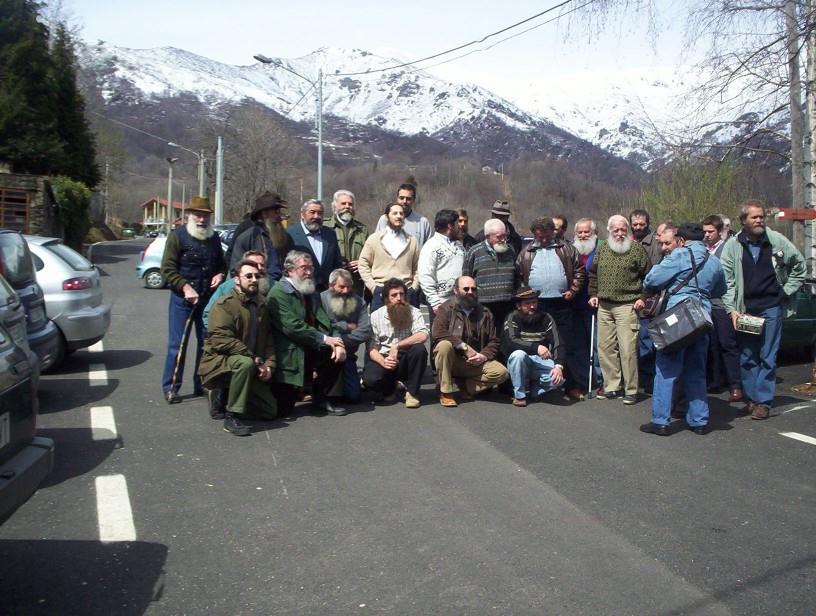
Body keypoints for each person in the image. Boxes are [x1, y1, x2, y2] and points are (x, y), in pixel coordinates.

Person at [720, 200, 806, 420]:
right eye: (754, 217)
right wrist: (732, 309)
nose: (759, 220)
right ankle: (751, 399)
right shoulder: (733, 246)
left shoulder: (776, 241)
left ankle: (763, 403)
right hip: (746, 310)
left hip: (771, 307)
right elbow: (727, 281)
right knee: (748, 356)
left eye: (761, 217)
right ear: (743, 220)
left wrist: (785, 291)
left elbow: (800, 266)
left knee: (768, 356)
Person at [639, 223, 726, 436]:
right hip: (702, 317)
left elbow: (652, 279)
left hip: (678, 316)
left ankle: (661, 421)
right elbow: (721, 289)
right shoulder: (714, 261)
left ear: (682, 240)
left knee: (666, 368)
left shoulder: (679, 255)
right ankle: (699, 421)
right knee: (696, 369)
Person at [198, 259, 278, 436]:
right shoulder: (224, 305)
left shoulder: (262, 305)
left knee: (270, 411)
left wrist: (269, 365)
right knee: (244, 363)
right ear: (237, 279)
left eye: (257, 276)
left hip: (251, 364)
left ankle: (228, 397)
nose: (253, 280)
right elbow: (221, 339)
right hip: (222, 361)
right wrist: (254, 358)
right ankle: (231, 416)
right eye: (248, 276)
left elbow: (269, 340)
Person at [267, 251, 348, 417]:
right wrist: (325, 339)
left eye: (311, 268)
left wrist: (337, 342)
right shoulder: (278, 293)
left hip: (309, 346)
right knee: (282, 411)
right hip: (288, 354)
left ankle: (320, 398)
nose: (309, 272)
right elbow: (293, 327)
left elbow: (325, 321)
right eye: (304, 268)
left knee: (334, 353)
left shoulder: (310, 290)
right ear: (289, 270)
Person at [160, 196, 225, 404]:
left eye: (205, 215)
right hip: (183, 300)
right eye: (198, 215)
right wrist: (185, 287)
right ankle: (171, 387)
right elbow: (167, 269)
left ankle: (201, 383)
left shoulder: (214, 238)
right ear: (189, 215)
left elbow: (222, 264)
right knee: (177, 345)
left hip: (207, 299)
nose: (202, 219)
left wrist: (220, 274)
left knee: (206, 344)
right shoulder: (177, 236)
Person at [516, 217, 586, 399]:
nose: (544, 239)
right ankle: (539, 383)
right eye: (540, 237)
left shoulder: (567, 249)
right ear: (534, 234)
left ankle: (572, 385)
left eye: (547, 235)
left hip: (562, 303)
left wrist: (573, 290)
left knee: (566, 343)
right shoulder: (526, 253)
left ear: (552, 232)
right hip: (537, 305)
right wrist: (526, 297)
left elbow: (579, 271)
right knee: (538, 343)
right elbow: (519, 277)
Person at [588, 215, 649, 404]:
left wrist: (643, 298)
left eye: (623, 229)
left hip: (627, 305)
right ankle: (612, 386)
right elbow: (593, 273)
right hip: (604, 305)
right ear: (609, 231)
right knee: (605, 348)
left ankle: (631, 389)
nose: (620, 233)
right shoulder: (602, 248)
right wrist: (593, 294)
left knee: (627, 349)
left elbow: (649, 276)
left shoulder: (636, 249)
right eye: (616, 230)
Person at [431, 275, 509, 406]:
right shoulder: (445, 308)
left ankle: (466, 386)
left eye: (473, 289)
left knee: (502, 373)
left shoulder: (485, 312)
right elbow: (437, 332)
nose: (470, 292)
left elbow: (494, 341)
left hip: (474, 362)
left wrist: (483, 356)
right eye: (466, 289)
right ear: (455, 290)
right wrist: (462, 346)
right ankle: (446, 392)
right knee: (444, 345)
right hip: (451, 361)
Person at [362, 278, 429, 408]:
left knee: (419, 349)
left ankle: (412, 393)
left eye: (401, 294)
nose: (399, 298)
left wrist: (397, 345)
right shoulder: (375, 316)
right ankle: (389, 389)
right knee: (370, 380)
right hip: (385, 357)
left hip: (405, 357)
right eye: (394, 295)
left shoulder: (414, 312)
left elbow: (423, 335)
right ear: (386, 298)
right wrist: (384, 362)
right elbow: (372, 348)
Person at [501, 286, 565, 406]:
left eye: (534, 302)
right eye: (527, 303)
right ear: (518, 305)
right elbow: (511, 341)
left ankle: (535, 390)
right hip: (520, 362)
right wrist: (536, 347)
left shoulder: (546, 317)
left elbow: (558, 342)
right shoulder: (512, 317)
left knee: (557, 379)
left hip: (540, 361)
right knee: (518, 355)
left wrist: (558, 366)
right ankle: (520, 396)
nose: (532, 306)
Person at [703, 214, 742, 401]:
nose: (707, 235)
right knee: (710, 345)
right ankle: (715, 380)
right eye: (705, 232)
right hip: (705, 303)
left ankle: (735, 385)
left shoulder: (727, 248)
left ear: (719, 231)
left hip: (722, 303)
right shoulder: (702, 250)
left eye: (711, 231)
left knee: (727, 344)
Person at [320, 268, 371, 403]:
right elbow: (321, 329)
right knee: (326, 393)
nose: (346, 291)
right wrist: (345, 326)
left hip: (348, 354)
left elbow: (365, 331)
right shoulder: (321, 299)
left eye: (349, 287)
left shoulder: (359, 302)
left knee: (353, 397)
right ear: (331, 286)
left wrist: (339, 341)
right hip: (326, 353)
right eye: (341, 287)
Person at [358, 203, 421, 310]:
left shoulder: (412, 241)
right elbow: (363, 264)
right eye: (395, 213)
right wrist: (373, 287)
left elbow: (419, 267)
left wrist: (414, 287)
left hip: (406, 292)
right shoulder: (374, 239)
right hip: (381, 292)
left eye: (401, 213)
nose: (399, 216)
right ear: (387, 217)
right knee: (379, 321)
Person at [463, 218, 518, 331]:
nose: (503, 239)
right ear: (487, 237)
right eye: (499, 237)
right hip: (483, 305)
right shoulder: (474, 252)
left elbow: (517, 277)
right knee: (485, 335)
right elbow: (466, 278)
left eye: (504, 236)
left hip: (507, 305)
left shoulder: (510, 250)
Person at [228, 191, 292, 281]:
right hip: (258, 284)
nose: (279, 215)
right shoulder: (247, 238)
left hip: (282, 285)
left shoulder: (286, 237)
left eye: (279, 211)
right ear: (264, 213)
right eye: (275, 212)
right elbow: (236, 269)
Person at [287, 199, 343, 292]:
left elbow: (337, 263)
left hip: (327, 291)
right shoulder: (290, 235)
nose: (316, 216)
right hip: (301, 290)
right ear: (302, 214)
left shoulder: (330, 234)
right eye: (312, 212)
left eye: (320, 213)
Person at [571, 217, 601, 391]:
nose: (583, 235)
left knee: (596, 343)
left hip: (593, 304)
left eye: (586, 232)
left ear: (594, 233)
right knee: (579, 344)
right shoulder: (571, 249)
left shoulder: (600, 249)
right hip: (574, 304)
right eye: (580, 232)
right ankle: (582, 378)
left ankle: (599, 378)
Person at [418, 209, 466, 318]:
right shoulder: (431, 247)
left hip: (460, 301)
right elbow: (425, 275)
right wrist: (435, 302)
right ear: (450, 226)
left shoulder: (459, 246)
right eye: (457, 223)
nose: (460, 226)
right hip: (441, 303)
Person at [324, 190, 369, 298]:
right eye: (343, 203)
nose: (347, 206)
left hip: (355, 285)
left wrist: (362, 263)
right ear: (335, 206)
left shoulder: (362, 230)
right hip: (330, 285)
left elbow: (371, 255)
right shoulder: (325, 227)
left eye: (350, 204)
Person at [375, 183, 432, 247]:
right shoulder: (385, 219)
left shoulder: (423, 222)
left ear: (413, 200)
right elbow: (375, 244)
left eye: (408, 199)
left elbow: (428, 249)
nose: (404, 201)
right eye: (401, 198)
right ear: (397, 198)